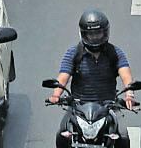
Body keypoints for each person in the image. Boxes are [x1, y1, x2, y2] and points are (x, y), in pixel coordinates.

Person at [50, 10, 136, 148]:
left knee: (123, 137)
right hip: (78, 107)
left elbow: (126, 74)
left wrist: (129, 94)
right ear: (84, 34)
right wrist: (56, 95)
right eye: (91, 34)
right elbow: (63, 76)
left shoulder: (114, 53)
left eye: (98, 33)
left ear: (105, 32)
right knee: (61, 134)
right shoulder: (73, 53)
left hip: (108, 107)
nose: (95, 37)